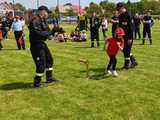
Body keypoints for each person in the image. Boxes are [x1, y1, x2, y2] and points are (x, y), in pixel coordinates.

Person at [28, 6, 57, 88]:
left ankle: (49, 78)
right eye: (47, 12)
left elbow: (47, 31)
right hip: (36, 45)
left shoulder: (43, 20)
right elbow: (38, 33)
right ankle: (37, 83)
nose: (48, 14)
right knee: (41, 64)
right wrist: (51, 32)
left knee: (49, 60)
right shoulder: (35, 21)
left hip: (42, 44)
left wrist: (55, 31)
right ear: (42, 12)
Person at [117, 2, 138, 69]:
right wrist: (118, 35)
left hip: (129, 36)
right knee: (125, 50)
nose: (118, 10)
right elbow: (120, 27)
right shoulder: (120, 16)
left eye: (119, 9)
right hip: (122, 36)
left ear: (123, 8)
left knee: (127, 50)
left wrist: (130, 38)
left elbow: (132, 28)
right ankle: (133, 61)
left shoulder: (129, 15)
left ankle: (126, 65)